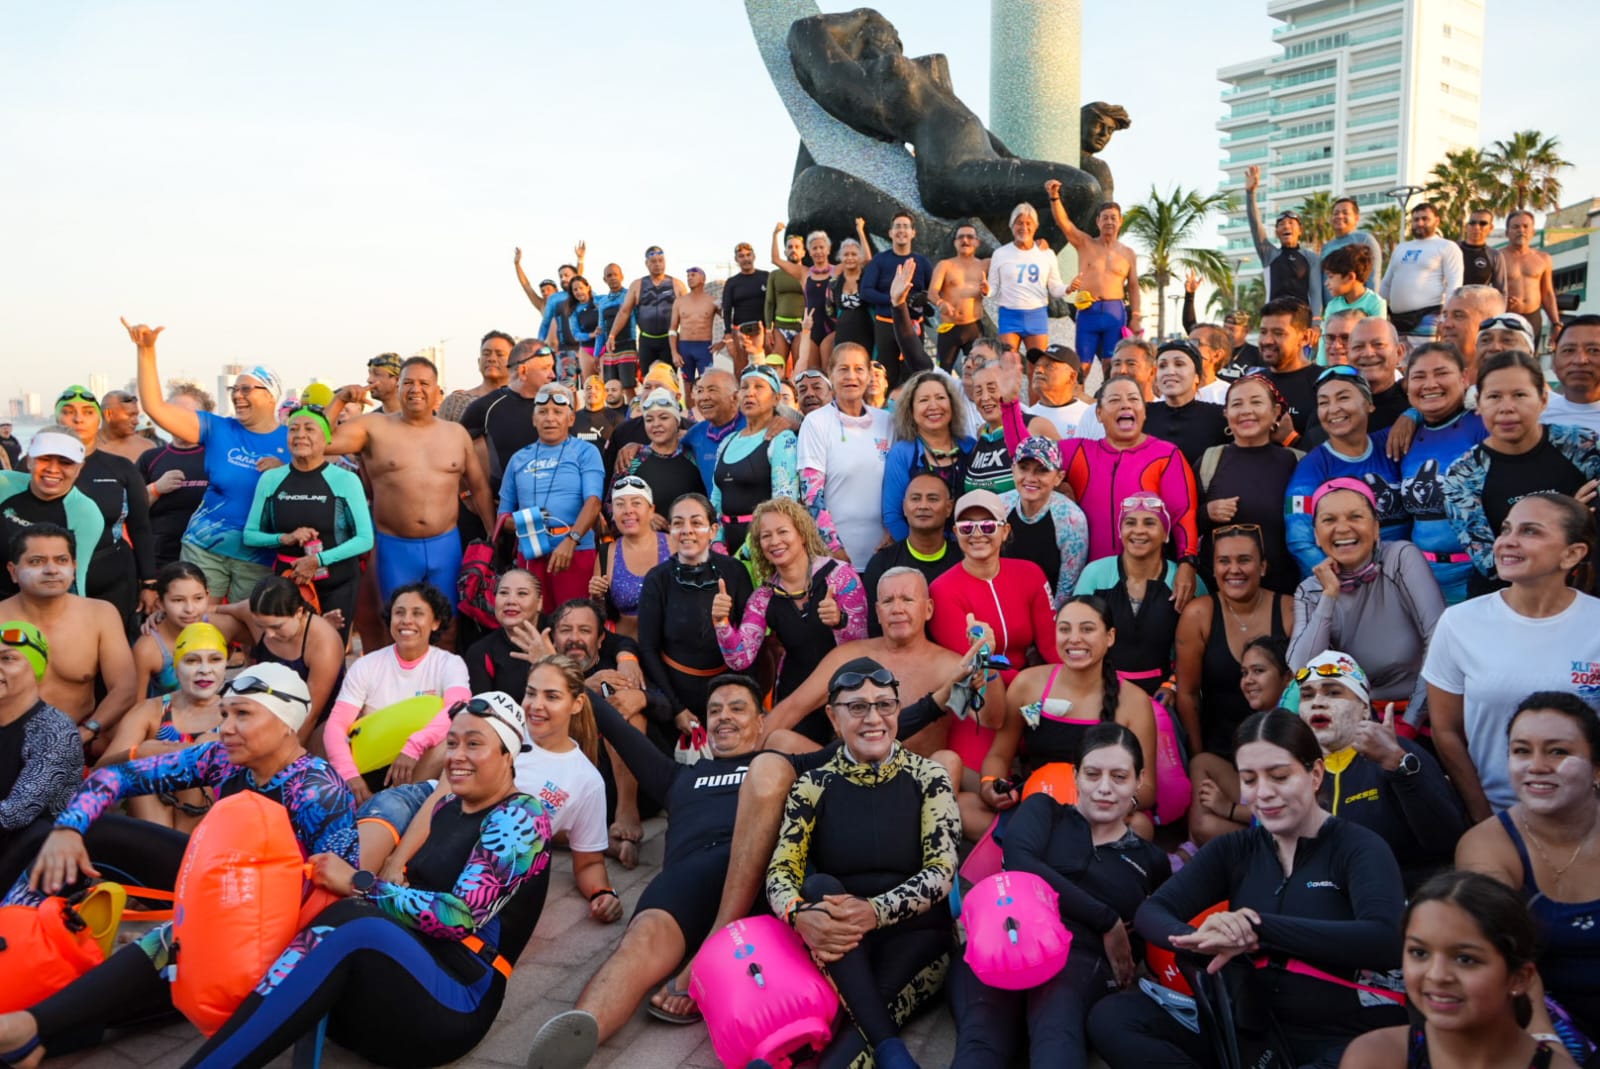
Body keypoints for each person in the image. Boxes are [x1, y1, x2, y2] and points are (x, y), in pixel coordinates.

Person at [0, 663, 356, 1069]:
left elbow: (333, 895)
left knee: (163, 951)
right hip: (214, 880)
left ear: (287, 723)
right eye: (225, 714)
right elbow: (116, 778)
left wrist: (222, 930)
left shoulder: (317, 790)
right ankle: (14, 949)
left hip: (276, 923)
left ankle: (30, 1028)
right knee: (85, 829)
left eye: (243, 714)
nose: (225, 727)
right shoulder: (222, 759)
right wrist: (69, 827)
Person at [176, 691, 552, 1069]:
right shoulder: (449, 804)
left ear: (508, 754)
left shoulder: (522, 816)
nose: (456, 755)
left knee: (351, 921)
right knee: (319, 912)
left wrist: (361, 882)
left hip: (455, 1002)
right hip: (397, 989)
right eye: (451, 743)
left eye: (474, 744)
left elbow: (458, 917)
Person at [1087, 710, 1407, 1068]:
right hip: (1245, 1023)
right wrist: (1201, 937)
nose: (1264, 793)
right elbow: (1152, 912)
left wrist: (1258, 930)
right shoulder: (1236, 849)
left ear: (1315, 774)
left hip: (1337, 1035)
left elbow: (1384, 940)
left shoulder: (1358, 847)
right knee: (1113, 1017)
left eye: (1280, 776)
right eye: (1250, 780)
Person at [522, 673, 772, 1065]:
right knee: (641, 939)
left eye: (738, 708)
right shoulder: (681, 777)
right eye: (715, 711)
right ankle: (572, 1040)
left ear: (762, 721)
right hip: (689, 879)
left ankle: (708, 960)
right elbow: (617, 729)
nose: (724, 717)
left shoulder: (784, 766)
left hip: (759, 875)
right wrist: (559, 672)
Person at [766, 657, 960, 1069]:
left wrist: (874, 911)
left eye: (885, 705)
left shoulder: (929, 777)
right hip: (838, 940)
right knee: (819, 890)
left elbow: (941, 873)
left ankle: (869, 1049)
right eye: (857, 707)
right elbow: (781, 871)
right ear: (834, 719)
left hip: (918, 934)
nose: (874, 718)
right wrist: (799, 914)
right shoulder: (813, 785)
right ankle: (892, 1050)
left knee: (861, 1011)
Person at [950, 723, 1170, 1069]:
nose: (1104, 788)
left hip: (1078, 961)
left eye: (1119, 776)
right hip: (1003, 943)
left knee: (1057, 1040)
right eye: (1093, 774)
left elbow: (1143, 934)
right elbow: (1021, 862)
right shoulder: (1045, 811)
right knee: (982, 1043)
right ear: (1075, 775)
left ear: (1139, 780)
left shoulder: (1150, 860)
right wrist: (1107, 919)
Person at [361, 663, 615, 917]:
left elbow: (589, 862)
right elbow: (442, 795)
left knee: (380, 898)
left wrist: (602, 893)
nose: (536, 704)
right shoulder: (502, 726)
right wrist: (396, 861)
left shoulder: (586, 780)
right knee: (357, 871)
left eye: (551, 696)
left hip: (468, 844)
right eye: (531, 693)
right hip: (425, 805)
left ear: (577, 704)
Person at [1426, 493, 1600, 822]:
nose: (1508, 542)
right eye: (1506, 529)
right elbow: (1445, 729)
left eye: (1530, 531)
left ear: (1572, 554)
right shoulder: (1459, 622)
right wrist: (1483, 816)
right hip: (1496, 817)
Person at [1456, 692, 1600, 1063]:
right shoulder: (1488, 845)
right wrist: (1545, 1041)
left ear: (1597, 767)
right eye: (1522, 751)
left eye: (1557, 752)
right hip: (1544, 1014)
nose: (1537, 765)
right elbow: (1507, 954)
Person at [1339, 869, 1578, 1069]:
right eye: (1419, 953)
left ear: (1520, 978)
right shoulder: (1377, 1057)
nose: (1437, 975)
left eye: (1465, 959)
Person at [126, 320, 290, 602]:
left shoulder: (291, 440)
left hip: (257, 554)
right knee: (196, 623)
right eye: (234, 390)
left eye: (247, 389)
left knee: (247, 631)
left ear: (270, 395)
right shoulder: (219, 429)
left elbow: (317, 479)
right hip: (204, 547)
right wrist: (146, 352)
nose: (238, 395)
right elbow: (156, 408)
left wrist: (286, 471)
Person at [978, 597, 1161, 836]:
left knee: (1140, 827)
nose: (1074, 638)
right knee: (966, 807)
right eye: (1065, 629)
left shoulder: (1134, 701)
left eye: (1087, 629)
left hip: (1102, 817)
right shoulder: (1028, 684)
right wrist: (990, 785)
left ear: (1110, 637)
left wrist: (1121, 805)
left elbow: (1146, 787)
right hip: (1037, 809)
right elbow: (999, 755)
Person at [323, 357, 493, 606]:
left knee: (448, 628)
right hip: (394, 545)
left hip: (446, 545)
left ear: (437, 390)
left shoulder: (456, 434)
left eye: (424, 383)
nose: (416, 389)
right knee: (397, 622)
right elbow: (320, 442)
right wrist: (339, 401)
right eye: (409, 382)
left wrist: (492, 535)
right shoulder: (374, 427)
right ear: (398, 386)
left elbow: (479, 488)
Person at [1292, 649, 1464, 892]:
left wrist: (1398, 765)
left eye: (1333, 692)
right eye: (1307, 696)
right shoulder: (1299, 772)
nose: (1317, 702)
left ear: (1363, 707)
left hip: (1409, 897)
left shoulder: (1401, 753)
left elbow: (1446, 841)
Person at [1443, 351, 1600, 598]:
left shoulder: (1582, 446)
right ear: (1479, 405)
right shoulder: (1463, 475)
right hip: (1507, 602)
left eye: (1520, 395)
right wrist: (1570, 518)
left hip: (1585, 595)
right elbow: (1492, 565)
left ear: (1544, 399)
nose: (1507, 408)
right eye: (1494, 397)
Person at [714, 498, 868, 742]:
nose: (775, 541)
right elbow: (739, 659)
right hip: (796, 699)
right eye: (766, 536)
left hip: (847, 691)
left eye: (782, 532)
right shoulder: (763, 597)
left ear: (802, 535)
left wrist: (840, 621)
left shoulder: (840, 576)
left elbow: (860, 646)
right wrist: (721, 623)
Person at [1289, 478, 1442, 717]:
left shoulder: (1400, 559)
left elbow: (1439, 639)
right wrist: (1329, 595)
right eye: (1329, 520)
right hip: (1354, 717)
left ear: (1376, 528)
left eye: (1355, 517)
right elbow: (1301, 669)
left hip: (1423, 710)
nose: (1342, 528)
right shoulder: (1310, 591)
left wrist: (1411, 720)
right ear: (1316, 535)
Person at [928, 490, 1058, 772]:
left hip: (1035, 694)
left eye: (988, 526)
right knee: (985, 788)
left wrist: (1061, 685)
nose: (977, 534)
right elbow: (976, 663)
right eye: (966, 527)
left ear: (1005, 530)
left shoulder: (1030, 574)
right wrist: (1031, 686)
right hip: (980, 698)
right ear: (955, 533)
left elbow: (1053, 647)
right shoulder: (942, 589)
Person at [323, 582, 468, 802]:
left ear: (436, 622)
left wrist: (413, 747)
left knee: (449, 743)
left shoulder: (450, 663)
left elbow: (457, 709)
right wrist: (350, 776)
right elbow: (336, 725)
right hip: (369, 768)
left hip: (422, 765)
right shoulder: (367, 664)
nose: (406, 620)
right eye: (399, 613)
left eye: (417, 613)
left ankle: (398, 804)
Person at [0, 526, 137, 751]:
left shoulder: (100, 613)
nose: (51, 570)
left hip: (81, 737)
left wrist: (88, 731)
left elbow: (125, 688)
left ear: (74, 567)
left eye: (61, 560)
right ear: (13, 572)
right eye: (37, 561)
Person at [243, 403, 373, 638]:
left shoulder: (345, 480)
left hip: (338, 581)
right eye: (293, 429)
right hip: (289, 582)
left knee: (330, 650)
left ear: (325, 439)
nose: (300, 435)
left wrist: (317, 560)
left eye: (309, 429)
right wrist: (285, 538)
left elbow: (365, 539)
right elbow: (250, 535)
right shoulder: (271, 479)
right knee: (289, 648)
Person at [637, 494, 754, 741]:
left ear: (712, 530)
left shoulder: (735, 571)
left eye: (696, 522)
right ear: (670, 530)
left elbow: (751, 641)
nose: (687, 531)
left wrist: (742, 698)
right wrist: (676, 708)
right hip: (675, 693)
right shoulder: (657, 579)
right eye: (678, 523)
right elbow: (648, 648)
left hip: (727, 690)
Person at [1060, 376, 1203, 575]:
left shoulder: (1166, 454)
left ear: (1144, 412)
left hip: (1147, 578)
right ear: (1099, 414)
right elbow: (1027, 458)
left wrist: (1187, 564)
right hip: (1091, 578)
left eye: (1133, 399)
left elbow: (1183, 514)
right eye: (1114, 400)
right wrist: (1010, 404)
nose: (1125, 404)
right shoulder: (1078, 451)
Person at [1177, 524, 1294, 764]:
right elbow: (1188, 694)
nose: (1234, 570)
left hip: (1282, 749)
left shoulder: (1291, 611)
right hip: (1221, 751)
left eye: (1244, 560)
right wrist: (1199, 758)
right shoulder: (1199, 615)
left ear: (1262, 567)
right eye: (1223, 561)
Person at [98, 623, 228, 831]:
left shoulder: (236, 714)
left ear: (225, 665)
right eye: (192, 660)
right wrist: (136, 754)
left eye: (215, 659)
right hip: (153, 819)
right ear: (176, 668)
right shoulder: (151, 711)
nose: (205, 670)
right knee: (145, 767)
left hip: (211, 826)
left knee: (199, 762)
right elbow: (100, 772)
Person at [47, 387, 156, 630]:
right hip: (51, 578)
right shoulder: (36, 468)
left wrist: (149, 583)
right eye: (68, 412)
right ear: (56, 418)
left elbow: (140, 527)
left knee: (115, 650)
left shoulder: (121, 468)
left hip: (113, 575)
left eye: (87, 412)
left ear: (99, 418)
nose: (78, 419)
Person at [1285, 366, 1408, 576]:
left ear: (1369, 404)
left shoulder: (1391, 442)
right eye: (1323, 402)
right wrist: (1347, 581)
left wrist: (1413, 415)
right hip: (1351, 583)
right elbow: (1300, 541)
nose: (1333, 409)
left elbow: (1435, 416)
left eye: (1343, 398)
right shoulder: (1312, 466)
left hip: (1406, 572)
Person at [1074, 493, 1200, 695]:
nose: (1139, 531)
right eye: (1130, 523)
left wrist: (1173, 684)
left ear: (1166, 534)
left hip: (1164, 692)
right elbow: (1076, 637)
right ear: (1120, 531)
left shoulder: (1184, 581)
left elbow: (1199, 649)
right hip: (1102, 689)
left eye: (1150, 523)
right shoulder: (1095, 574)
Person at [497, 383, 604, 614]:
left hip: (576, 550)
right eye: (543, 412)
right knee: (532, 621)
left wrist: (571, 540)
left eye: (558, 412)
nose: (550, 418)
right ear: (534, 419)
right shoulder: (518, 459)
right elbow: (502, 516)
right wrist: (527, 521)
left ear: (571, 419)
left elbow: (594, 502)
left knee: (574, 620)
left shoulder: (586, 452)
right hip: (532, 552)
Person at [1197, 371, 1303, 594]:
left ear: (1275, 412)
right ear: (1226, 413)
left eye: (1256, 402)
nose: (1246, 411)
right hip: (1220, 595)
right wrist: (1207, 512)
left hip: (1284, 594)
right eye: (1237, 404)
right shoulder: (1209, 461)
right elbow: (1183, 524)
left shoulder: (1297, 462)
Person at [1399, 342, 1488, 603]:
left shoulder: (1484, 423)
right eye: (1418, 376)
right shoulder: (1404, 436)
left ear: (1464, 378)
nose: (1430, 384)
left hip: (1477, 578)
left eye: (1441, 373)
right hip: (1420, 580)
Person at [1185, 634, 1294, 846]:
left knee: (1205, 827)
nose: (1248, 680)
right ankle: (1192, 847)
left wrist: (1229, 808)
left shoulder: (1291, 729)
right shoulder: (1261, 721)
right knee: (1203, 762)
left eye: (1258, 671)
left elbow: (1286, 807)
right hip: (1255, 812)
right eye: (1244, 673)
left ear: (1288, 677)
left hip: (1281, 831)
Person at [209, 575, 346, 739]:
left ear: (299, 612)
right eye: (260, 626)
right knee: (211, 622)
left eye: (277, 626)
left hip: (316, 722)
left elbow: (311, 714)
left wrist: (285, 759)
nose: (269, 634)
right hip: (269, 706)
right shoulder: (255, 610)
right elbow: (212, 611)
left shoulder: (323, 643)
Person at [797, 342, 894, 566]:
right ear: (830, 374)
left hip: (884, 553)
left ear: (869, 375)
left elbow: (899, 486)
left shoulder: (886, 422)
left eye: (859, 369)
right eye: (843, 369)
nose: (852, 376)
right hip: (835, 558)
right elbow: (811, 495)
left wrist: (893, 533)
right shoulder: (816, 422)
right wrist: (835, 548)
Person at [0, 622, 81, 863]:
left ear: (36, 668)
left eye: (8, 659)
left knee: (38, 833)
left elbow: (16, 814)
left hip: (40, 860)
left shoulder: (54, 730)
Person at [0, 427, 104, 601]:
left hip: (39, 608)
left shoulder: (86, 513)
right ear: (29, 460)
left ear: (80, 467)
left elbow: (74, 581)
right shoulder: (4, 484)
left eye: (66, 462)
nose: (53, 469)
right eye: (44, 459)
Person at [710, 365, 799, 553]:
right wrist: (716, 540)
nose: (750, 393)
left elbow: (784, 502)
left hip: (764, 546)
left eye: (759, 387)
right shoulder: (727, 441)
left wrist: (751, 548)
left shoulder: (782, 439)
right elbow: (716, 499)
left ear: (776, 399)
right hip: (726, 546)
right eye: (744, 387)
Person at [881, 370, 973, 541]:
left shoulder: (971, 447)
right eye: (924, 400)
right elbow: (893, 516)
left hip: (969, 552)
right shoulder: (902, 453)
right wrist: (922, 554)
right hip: (920, 555)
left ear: (952, 404)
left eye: (940, 398)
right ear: (911, 410)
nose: (933, 406)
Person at [863, 473, 962, 630]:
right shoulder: (882, 564)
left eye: (933, 499)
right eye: (915, 498)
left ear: (949, 508)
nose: (923, 506)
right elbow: (876, 630)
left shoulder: (964, 561)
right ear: (904, 507)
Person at [999, 436, 1089, 607]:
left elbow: (1067, 589)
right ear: (1013, 470)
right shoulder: (999, 507)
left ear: (1058, 477)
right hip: (1003, 606)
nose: (1031, 478)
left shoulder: (1071, 519)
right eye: (1023, 468)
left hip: (1049, 612)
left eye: (1042, 470)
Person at [460, 340, 558, 488]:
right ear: (523, 372)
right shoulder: (485, 407)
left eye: (552, 367)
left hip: (552, 505)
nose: (553, 375)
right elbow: (457, 458)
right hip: (504, 505)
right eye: (546, 368)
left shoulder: (558, 407)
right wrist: (469, 498)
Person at [137, 383, 211, 569]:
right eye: (173, 412)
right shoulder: (151, 458)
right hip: (161, 558)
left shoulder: (219, 457)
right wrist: (155, 488)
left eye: (187, 414)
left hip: (211, 560)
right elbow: (128, 509)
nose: (179, 419)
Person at [860, 211, 934, 388]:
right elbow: (865, 291)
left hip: (913, 324)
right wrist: (896, 299)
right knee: (887, 372)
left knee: (915, 372)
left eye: (906, 227)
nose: (902, 230)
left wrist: (922, 298)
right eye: (898, 226)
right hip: (886, 323)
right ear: (890, 232)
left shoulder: (922, 262)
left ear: (913, 233)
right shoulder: (880, 260)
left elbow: (932, 291)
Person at [591, 478, 670, 638]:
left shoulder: (674, 545)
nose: (628, 510)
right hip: (627, 650)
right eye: (620, 504)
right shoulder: (607, 553)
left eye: (636, 503)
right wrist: (597, 597)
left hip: (672, 651)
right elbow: (598, 614)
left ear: (651, 510)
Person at [967, 359, 1058, 493]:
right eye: (978, 392)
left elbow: (1063, 481)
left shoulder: (1036, 426)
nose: (985, 397)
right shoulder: (982, 433)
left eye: (992, 389)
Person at [1243, 165, 1323, 317]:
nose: (1286, 226)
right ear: (1276, 232)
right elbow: (1255, 225)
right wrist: (1250, 193)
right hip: (1274, 317)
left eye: (1291, 223)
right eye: (1281, 224)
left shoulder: (1311, 257)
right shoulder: (1269, 254)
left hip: (1300, 320)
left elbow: (1315, 292)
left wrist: (1316, 322)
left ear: (1300, 230)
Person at [988, 203, 1066, 355]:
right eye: (1019, 223)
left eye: (1028, 223)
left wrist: (1069, 288)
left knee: (1037, 364)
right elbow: (993, 288)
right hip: (1009, 314)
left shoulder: (1046, 253)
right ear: (1011, 226)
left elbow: (1055, 288)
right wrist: (986, 290)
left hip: (1036, 314)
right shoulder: (1000, 253)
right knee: (1008, 361)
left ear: (1035, 227)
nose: (1023, 227)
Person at [1382, 202, 1465, 343]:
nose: (1419, 223)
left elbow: (1454, 284)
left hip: (1428, 317)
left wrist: (1446, 318)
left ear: (1437, 221)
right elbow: (1386, 283)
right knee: (1398, 362)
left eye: (1425, 219)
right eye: (1415, 219)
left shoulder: (1447, 246)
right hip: (1396, 319)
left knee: (1424, 362)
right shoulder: (1401, 248)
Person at [130, 561, 210, 698]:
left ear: (207, 596)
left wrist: (218, 608)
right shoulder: (148, 649)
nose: (189, 609)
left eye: (198, 598)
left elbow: (250, 614)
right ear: (160, 603)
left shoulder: (214, 626)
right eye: (178, 600)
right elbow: (136, 706)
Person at [1143, 339, 1228, 467]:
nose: (1169, 371)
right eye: (1162, 366)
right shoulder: (1143, 414)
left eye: (1179, 364)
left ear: (1196, 376)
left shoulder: (1219, 417)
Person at [618, 389, 703, 513]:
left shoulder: (694, 456)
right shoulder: (632, 459)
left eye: (663, 418)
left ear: (677, 421)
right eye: (649, 420)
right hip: (646, 532)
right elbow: (612, 505)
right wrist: (644, 517)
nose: (656, 424)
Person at [606, 245, 686, 376]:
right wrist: (612, 335)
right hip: (647, 340)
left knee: (669, 379)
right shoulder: (637, 285)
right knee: (648, 379)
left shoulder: (677, 284)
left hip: (669, 340)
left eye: (661, 260)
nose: (658, 264)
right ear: (646, 263)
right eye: (653, 261)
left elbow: (686, 314)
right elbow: (624, 312)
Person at [1255, 297, 1323, 436]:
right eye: (1263, 332)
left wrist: (1290, 439)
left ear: (1305, 338)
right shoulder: (1252, 383)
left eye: (1278, 333)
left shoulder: (1325, 384)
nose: (1267, 340)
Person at [931, 222, 989, 369]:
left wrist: (1041, 246)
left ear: (977, 242)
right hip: (949, 327)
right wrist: (940, 303)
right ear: (955, 242)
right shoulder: (945, 265)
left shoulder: (985, 265)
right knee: (942, 372)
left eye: (970, 237)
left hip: (974, 327)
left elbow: (1011, 257)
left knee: (978, 372)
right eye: (961, 237)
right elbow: (932, 292)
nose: (965, 240)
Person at [1318, 244, 1385, 364]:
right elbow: (1325, 342)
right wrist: (1321, 369)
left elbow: (1378, 341)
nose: (1326, 283)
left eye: (1330, 277)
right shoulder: (1332, 306)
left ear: (1350, 277)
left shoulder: (1375, 304)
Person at [1503, 210, 1561, 347]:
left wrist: (1556, 323)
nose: (1521, 230)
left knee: (1529, 359)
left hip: (1533, 316)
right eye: (1515, 227)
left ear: (1533, 231)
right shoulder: (1498, 257)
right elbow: (1488, 290)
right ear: (1507, 233)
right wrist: (1502, 301)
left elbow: (1547, 293)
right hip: (1506, 315)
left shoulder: (1543, 258)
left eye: (1525, 226)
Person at [1437, 284, 1506, 385]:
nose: (1446, 324)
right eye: (1445, 316)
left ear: (1489, 322)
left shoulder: (1509, 377)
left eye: (1459, 316)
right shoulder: (1430, 373)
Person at [439, 330, 514, 423]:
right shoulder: (455, 402)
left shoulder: (525, 404)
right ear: (479, 362)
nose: (492, 359)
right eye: (486, 354)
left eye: (500, 354)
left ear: (513, 363)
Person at [1543, 315, 1600, 434]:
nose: (1579, 360)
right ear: (1554, 363)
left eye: (1594, 350)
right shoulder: (1534, 419)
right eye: (1568, 350)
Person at [720, 241, 769, 372]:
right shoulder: (732, 282)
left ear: (754, 256)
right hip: (741, 331)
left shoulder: (766, 277)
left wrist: (771, 329)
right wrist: (728, 335)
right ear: (736, 259)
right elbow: (727, 309)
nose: (746, 259)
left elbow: (773, 304)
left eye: (748, 255)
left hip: (763, 330)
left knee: (767, 366)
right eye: (741, 256)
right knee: (741, 368)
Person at [1024, 344, 1092, 436]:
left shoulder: (1089, 416)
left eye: (1049, 366)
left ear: (1072, 377)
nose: (1038, 370)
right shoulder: (1026, 417)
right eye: (1036, 366)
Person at [667, 266, 718, 387]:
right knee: (687, 384)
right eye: (688, 276)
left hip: (704, 347)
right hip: (685, 347)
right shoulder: (679, 302)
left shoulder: (713, 301)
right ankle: (689, 407)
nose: (689, 278)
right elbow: (673, 329)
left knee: (707, 383)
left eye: (693, 275)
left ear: (703, 279)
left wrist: (724, 342)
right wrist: (674, 352)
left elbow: (729, 322)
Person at [1320, 195, 1384, 290]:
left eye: (1345, 213)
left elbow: (1373, 276)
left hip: (1358, 303)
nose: (1339, 216)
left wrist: (1371, 302)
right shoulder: (1326, 247)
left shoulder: (1365, 240)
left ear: (1356, 218)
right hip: (1331, 304)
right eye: (1336, 213)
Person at [94, 390, 155, 466]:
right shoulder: (85, 446)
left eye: (136, 415)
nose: (136, 422)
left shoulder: (147, 448)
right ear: (108, 414)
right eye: (130, 415)